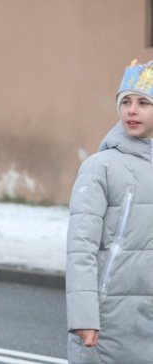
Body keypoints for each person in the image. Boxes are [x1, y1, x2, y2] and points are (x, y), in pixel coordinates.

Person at [65, 58, 153, 363]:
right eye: (126, 101)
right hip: (108, 323)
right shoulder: (99, 168)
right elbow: (81, 248)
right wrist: (85, 318)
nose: (132, 110)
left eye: (143, 102)